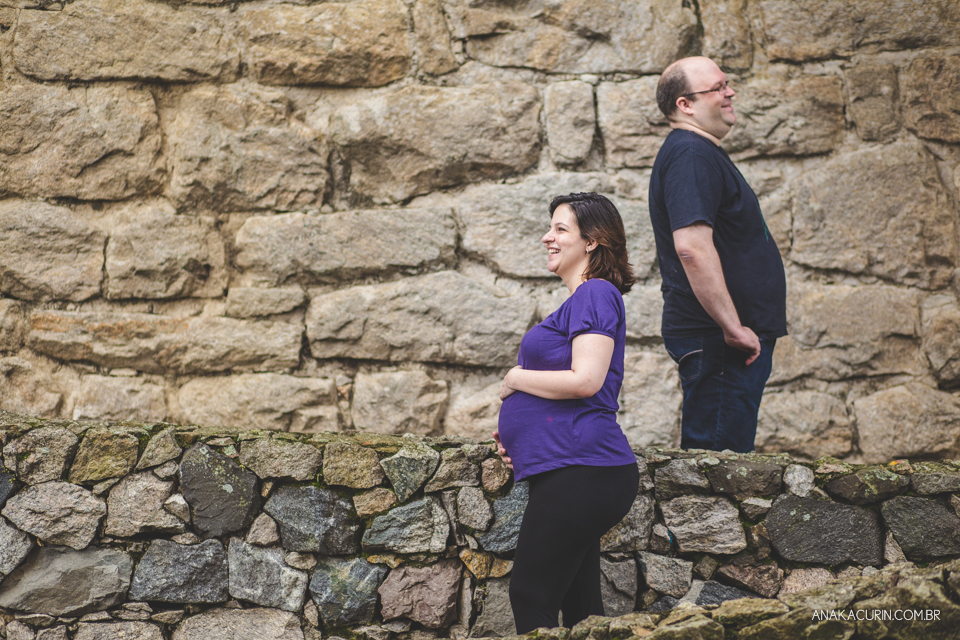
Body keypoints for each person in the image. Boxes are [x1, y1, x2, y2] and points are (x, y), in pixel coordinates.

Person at [492, 192, 640, 633]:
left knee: (530, 596)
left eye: (560, 229)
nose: (547, 237)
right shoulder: (581, 300)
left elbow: (586, 380)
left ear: (592, 241)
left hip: (584, 469)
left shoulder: (595, 292)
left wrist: (515, 378)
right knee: (582, 610)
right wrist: (523, 438)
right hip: (572, 467)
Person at [648, 56, 787, 453]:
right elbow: (691, 247)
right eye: (718, 87)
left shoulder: (699, 152)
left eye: (728, 84)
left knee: (721, 469)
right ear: (685, 104)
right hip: (720, 342)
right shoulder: (690, 154)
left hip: (726, 342)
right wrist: (733, 326)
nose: (730, 93)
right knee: (715, 479)